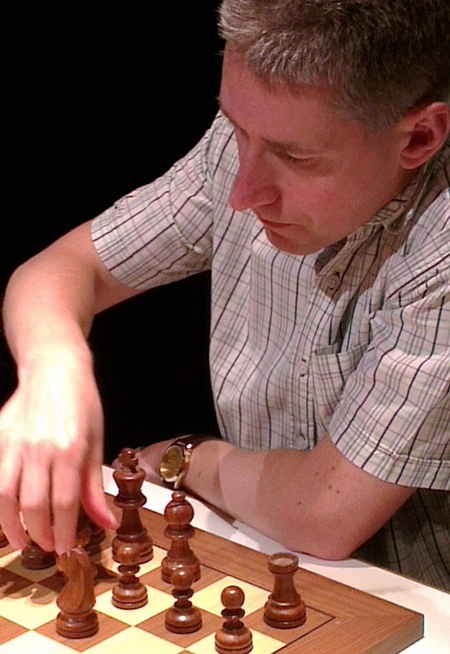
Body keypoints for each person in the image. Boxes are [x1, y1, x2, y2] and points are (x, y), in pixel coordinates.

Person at [0, 0, 449, 591]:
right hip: (266, 559)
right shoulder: (253, 142)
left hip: (413, 601)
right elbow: (60, 270)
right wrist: (53, 365)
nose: (242, 192)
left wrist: (188, 458)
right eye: (235, 127)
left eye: (296, 157)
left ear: (419, 136)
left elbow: (324, 514)